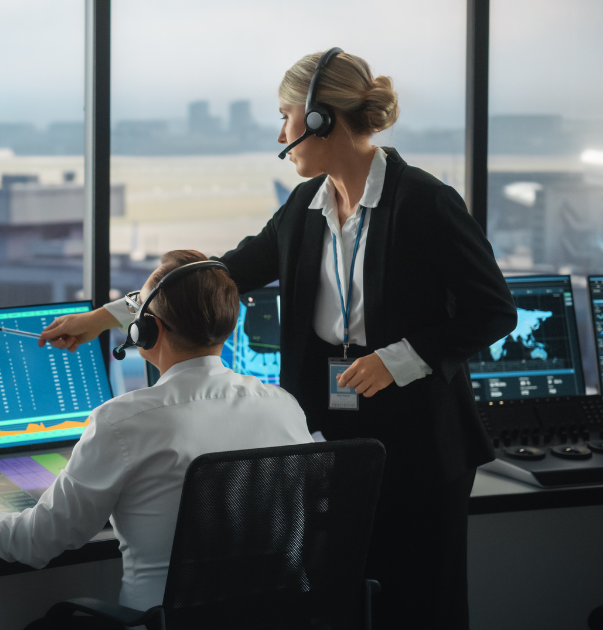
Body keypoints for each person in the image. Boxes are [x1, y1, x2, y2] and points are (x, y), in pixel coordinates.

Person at [37, 50, 516, 629]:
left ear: (320, 120)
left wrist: (398, 360)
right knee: (338, 598)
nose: (281, 132)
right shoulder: (304, 206)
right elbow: (219, 274)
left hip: (419, 434)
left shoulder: (425, 202)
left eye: (286, 116)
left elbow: (492, 310)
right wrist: (106, 318)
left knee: (416, 602)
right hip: (330, 429)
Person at [0, 250, 312, 623]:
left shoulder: (123, 422)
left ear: (146, 330)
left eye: (136, 306)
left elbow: (34, 541)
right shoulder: (284, 407)